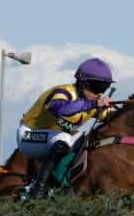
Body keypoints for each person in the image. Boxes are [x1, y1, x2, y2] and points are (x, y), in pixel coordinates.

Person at [17, 58, 115, 199]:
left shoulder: (91, 102)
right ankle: (37, 190)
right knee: (64, 138)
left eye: (103, 89)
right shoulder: (63, 92)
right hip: (28, 136)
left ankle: (60, 183)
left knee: (84, 139)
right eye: (97, 88)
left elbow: (113, 118)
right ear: (83, 83)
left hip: (54, 139)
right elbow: (61, 108)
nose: (99, 93)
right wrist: (93, 104)